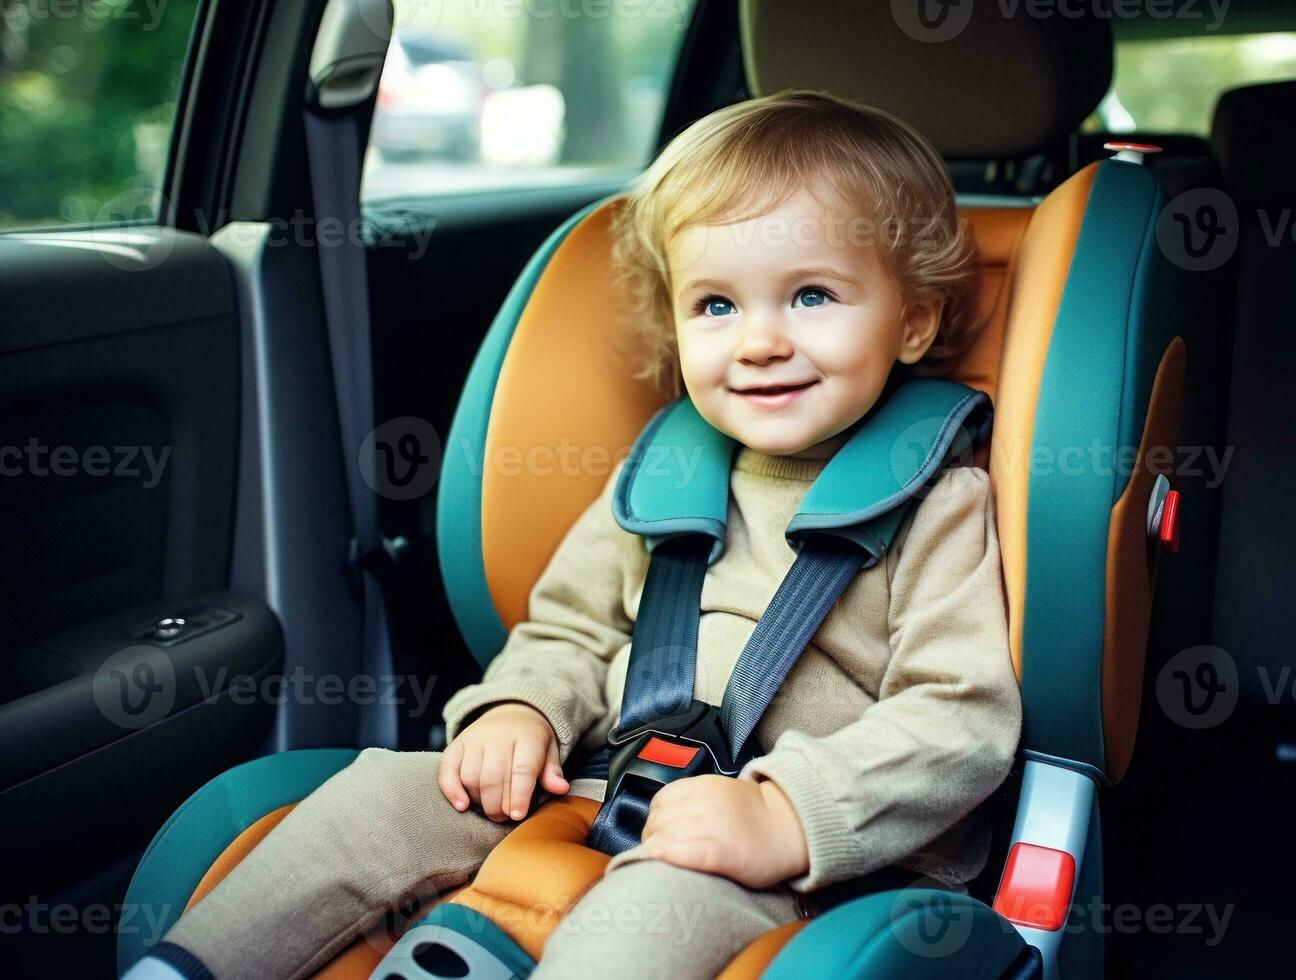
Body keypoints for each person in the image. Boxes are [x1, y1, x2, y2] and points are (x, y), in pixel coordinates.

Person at [128, 88, 1022, 980]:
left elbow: (960, 715)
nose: (756, 343)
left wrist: (789, 815)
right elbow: (569, 631)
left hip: (806, 848)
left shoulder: (934, 501)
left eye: (813, 296)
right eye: (716, 305)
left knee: (640, 920)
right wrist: (521, 708)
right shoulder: (669, 475)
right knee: (375, 798)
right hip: (604, 774)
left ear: (913, 321)